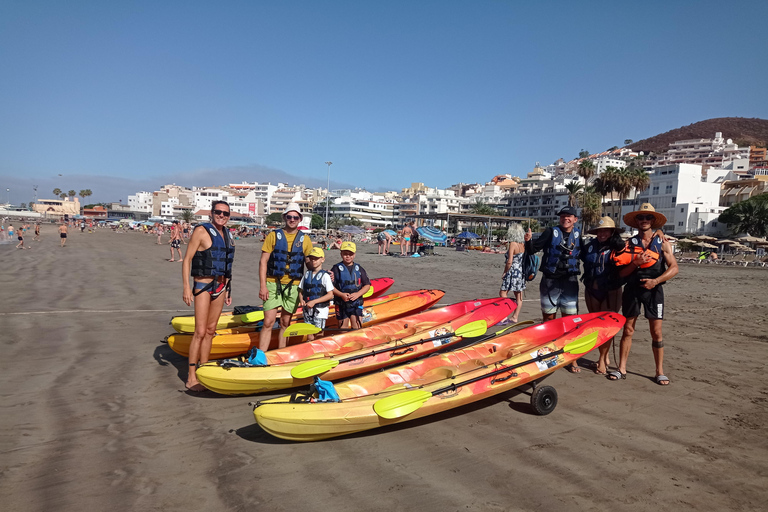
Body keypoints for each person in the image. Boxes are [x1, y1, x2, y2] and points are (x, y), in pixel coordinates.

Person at [609, 203, 679, 385]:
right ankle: (621, 368)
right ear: (636, 222)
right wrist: (635, 263)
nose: (644, 220)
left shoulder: (663, 244)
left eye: (648, 218)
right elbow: (621, 274)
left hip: (654, 290)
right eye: (641, 218)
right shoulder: (628, 244)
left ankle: (659, 371)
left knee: (656, 332)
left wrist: (655, 281)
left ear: (653, 221)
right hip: (632, 289)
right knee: (628, 329)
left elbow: (675, 268)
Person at [182, 200, 235, 392]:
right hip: (203, 285)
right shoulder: (201, 231)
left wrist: (228, 290)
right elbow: (187, 259)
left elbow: (227, 265)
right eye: (218, 212)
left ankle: (203, 371)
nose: (222, 216)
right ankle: (191, 377)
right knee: (200, 331)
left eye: (226, 214)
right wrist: (187, 287)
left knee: (211, 330)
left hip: (220, 286)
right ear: (211, 213)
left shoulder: (228, 234)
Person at [524, 205, 582, 372]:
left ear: (575, 219)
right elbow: (533, 249)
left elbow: (588, 254)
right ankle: (549, 353)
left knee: (570, 321)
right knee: (549, 319)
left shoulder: (578, 236)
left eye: (569, 216)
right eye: (563, 216)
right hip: (550, 281)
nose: (566, 218)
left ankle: (572, 359)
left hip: (570, 281)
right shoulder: (550, 232)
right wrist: (528, 241)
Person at [258, 203, 314, 351]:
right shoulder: (273, 235)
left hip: (294, 285)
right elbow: (263, 261)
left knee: (285, 322)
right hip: (272, 283)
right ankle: (261, 354)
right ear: (285, 217)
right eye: (289, 216)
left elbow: (309, 264)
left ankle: (280, 353)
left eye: (295, 217)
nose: (292, 219)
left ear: (300, 219)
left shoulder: (305, 239)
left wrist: (322, 270)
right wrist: (262, 286)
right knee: (268, 322)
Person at [581, 216, 625, 375]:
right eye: (599, 231)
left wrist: (660, 232)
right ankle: (603, 356)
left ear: (612, 232)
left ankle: (602, 359)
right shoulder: (589, 246)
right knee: (596, 326)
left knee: (607, 326)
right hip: (591, 289)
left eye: (605, 230)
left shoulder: (619, 247)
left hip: (611, 291)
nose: (602, 234)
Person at [298, 247, 335, 341]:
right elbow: (300, 290)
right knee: (309, 333)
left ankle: (319, 348)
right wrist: (301, 300)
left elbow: (330, 295)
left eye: (316, 258)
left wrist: (314, 301)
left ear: (322, 259)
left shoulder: (325, 276)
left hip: (320, 309)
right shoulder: (307, 274)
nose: (313, 261)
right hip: (308, 309)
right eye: (311, 259)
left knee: (318, 332)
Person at [331, 241, 371, 329]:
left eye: (350, 254)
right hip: (341, 302)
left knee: (356, 325)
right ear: (341, 254)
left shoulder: (359, 268)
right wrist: (341, 294)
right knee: (342, 327)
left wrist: (358, 294)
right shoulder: (336, 269)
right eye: (345, 254)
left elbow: (367, 285)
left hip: (356, 302)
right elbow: (330, 287)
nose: (348, 256)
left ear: (354, 254)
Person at [499, 223, 526, 324]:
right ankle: (515, 317)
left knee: (503, 292)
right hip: (520, 271)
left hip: (512, 271)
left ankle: (504, 316)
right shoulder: (523, 244)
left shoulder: (513, 244)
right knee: (519, 295)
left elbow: (509, 261)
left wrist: (505, 272)